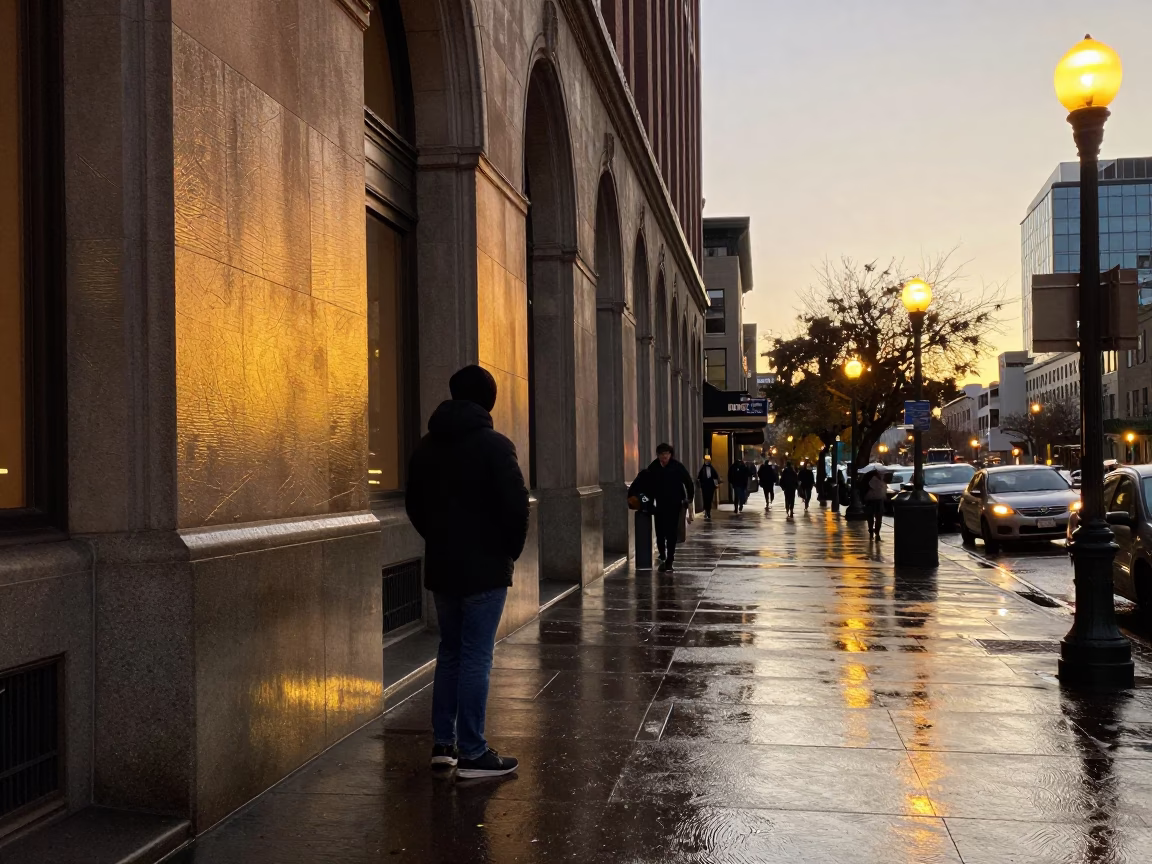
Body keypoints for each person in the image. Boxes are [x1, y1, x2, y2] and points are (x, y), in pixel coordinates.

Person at [406, 365, 529, 778]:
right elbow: (516, 507)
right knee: (477, 654)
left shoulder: (425, 448)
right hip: (485, 568)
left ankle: (444, 744)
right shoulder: (495, 446)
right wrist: (506, 551)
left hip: (443, 565)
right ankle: (474, 751)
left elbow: (414, 507)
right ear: (488, 401)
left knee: (451, 651)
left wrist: (440, 539)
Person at [632, 443, 694, 571]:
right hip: (658, 504)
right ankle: (663, 554)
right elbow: (645, 484)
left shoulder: (677, 467)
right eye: (662, 454)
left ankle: (670, 558)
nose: (664, 457)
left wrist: (689, 499)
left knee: (671, 532)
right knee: (660, 532)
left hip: (674, 504)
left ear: (670, 455)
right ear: (658, 455)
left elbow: (688, 482)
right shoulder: (654, 467)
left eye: (666, 454)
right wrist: (646, 501)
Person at [864, 468, 888, 539]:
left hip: (874, 501)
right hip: (875, 501)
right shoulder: (874, 481)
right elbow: (881, 491)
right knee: (876, 518)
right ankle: (875, 532)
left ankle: (874, 532)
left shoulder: (880, 481)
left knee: (873, 518)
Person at [697, 455, 720, 520]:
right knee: (705, 498)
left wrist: (716, 484)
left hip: (711, 486)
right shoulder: (702, 469)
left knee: (709, 499)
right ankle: (706, 510)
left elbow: (715, 477)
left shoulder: (712, 469)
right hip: (705, 486)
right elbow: (699, 477)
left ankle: (708, 511)